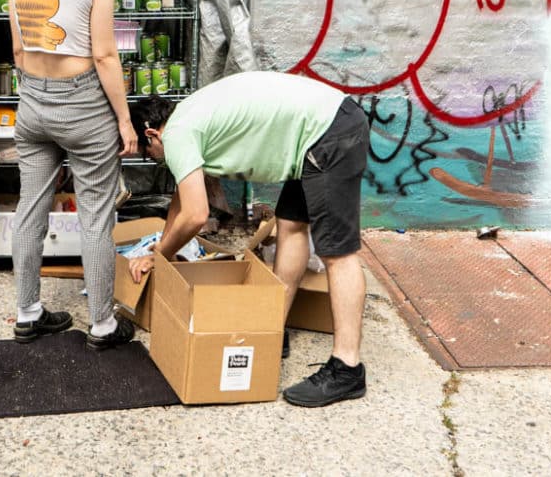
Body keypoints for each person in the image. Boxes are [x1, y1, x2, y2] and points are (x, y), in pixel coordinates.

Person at [127, 72, 370, 407]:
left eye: (151, 154)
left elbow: (195, 214)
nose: (160, 160)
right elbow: (181, 202)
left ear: (152, 134)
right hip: (321, 127)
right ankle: (273, 328)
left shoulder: (179, 134)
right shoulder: (188, 117)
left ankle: (347, 368)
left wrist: (159, 255)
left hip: (328, 131)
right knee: (291, 225)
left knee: (338, 253)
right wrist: (162, 247)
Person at [8, 0, 139, 349]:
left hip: (32, 100)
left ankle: (27, 314)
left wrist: (38, 90)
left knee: (29, 210)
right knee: (96, 218)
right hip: (84, 105)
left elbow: (18, 49)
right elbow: (104, 55)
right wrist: (124, 120)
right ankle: (102, 325)